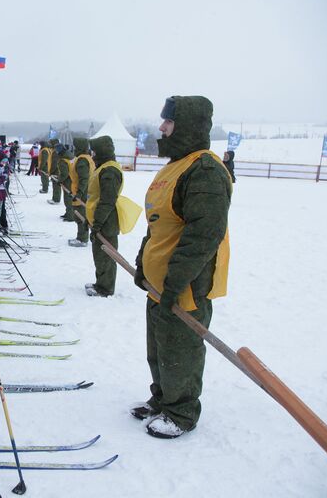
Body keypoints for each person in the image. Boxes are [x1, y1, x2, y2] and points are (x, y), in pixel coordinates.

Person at [131, 96, 232, 439]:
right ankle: (162, 399)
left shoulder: (204, 169)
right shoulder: (173, 166)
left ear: (185, 126)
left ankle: (181, 411)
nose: (162, 128)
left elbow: (204, 234)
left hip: (184, 285)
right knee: (158, 347)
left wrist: (176, 281)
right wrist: (143, 260)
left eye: (168, 122)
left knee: (180, 349)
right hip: (160, 284)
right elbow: (158, 224)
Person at [85, 135, 123, 297]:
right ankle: (100, 282)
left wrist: (98, 223)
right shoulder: (104, 167)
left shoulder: (110, 170)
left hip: (107, 220)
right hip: (100, 218)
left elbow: (107, 200)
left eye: (94, 152)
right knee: (99, 253)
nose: (92, 155)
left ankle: (105, 288)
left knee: (105, 254)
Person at [68, 138, 95, 247]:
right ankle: (81, 237)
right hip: (84, 191)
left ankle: (82, 239)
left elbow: (83, 178)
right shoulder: (87, 157)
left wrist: (79, 193)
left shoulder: (82, 160)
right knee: (80, 215)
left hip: (82, 193)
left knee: (81, 216)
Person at [55, 144, 74, 221]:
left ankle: (70, 215)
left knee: (68, 199)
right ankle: (68, 213)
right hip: (72, 179)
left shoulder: (63, 160)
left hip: (68, 181)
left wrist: (59, 180)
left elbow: (64, 173)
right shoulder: (70, 155)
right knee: (69, 198)